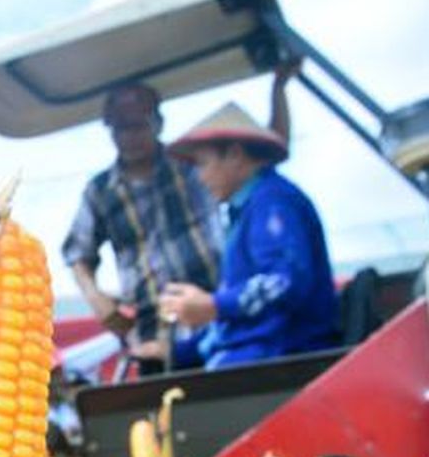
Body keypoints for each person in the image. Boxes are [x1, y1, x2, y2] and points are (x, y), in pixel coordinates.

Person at [157, 101, 338, 369]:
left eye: (203, 163)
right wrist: (172, 352)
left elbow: (283, 283)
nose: (199, 177)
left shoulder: (272, 201)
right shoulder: (251, 207)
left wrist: (212, 305)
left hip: (276, 364)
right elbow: (242, 315)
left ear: (235, 155)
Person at [62, 82, 223, 373]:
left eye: (137, 126)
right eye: (120, 128)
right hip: (153, 333)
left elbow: (257, 160)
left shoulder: (192, 166)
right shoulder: (100, 191)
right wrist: (96, 299)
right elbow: (77, 253)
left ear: (158, 124)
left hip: (212, 315)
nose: (128, 137)